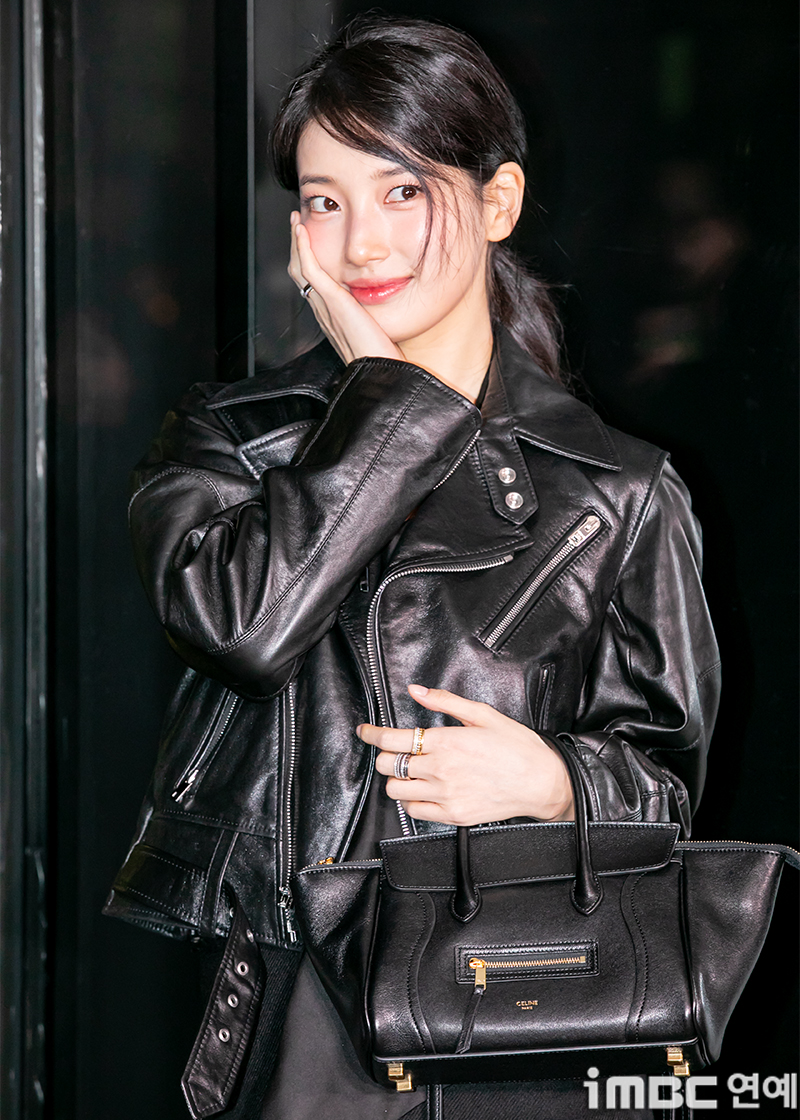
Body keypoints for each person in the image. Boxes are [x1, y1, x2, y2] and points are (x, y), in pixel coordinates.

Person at [104, 15, 720, 1120]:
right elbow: (243, 627)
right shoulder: (232, 441)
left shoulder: (618, 487)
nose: (361, 245)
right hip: (304, 1008)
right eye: (323, 201)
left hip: (532, 997)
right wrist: (385, 400)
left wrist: (556, 781)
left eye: (401, 191)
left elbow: (669, 787)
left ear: (497, 201)